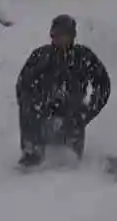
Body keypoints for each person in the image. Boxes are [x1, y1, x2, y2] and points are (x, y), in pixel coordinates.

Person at [15, 14, 111, 169]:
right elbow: (23, 85)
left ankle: (69, 150)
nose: (60, 40)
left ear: (72, 36)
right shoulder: (40, 56)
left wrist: (88, 112)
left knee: (67, 159)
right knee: (28, 105)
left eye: (64, 35)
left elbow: (103, 84)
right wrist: (31, 106)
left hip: (72, 112)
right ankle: (32, 151)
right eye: (57, 35)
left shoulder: (84, 56)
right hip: (43, 109)